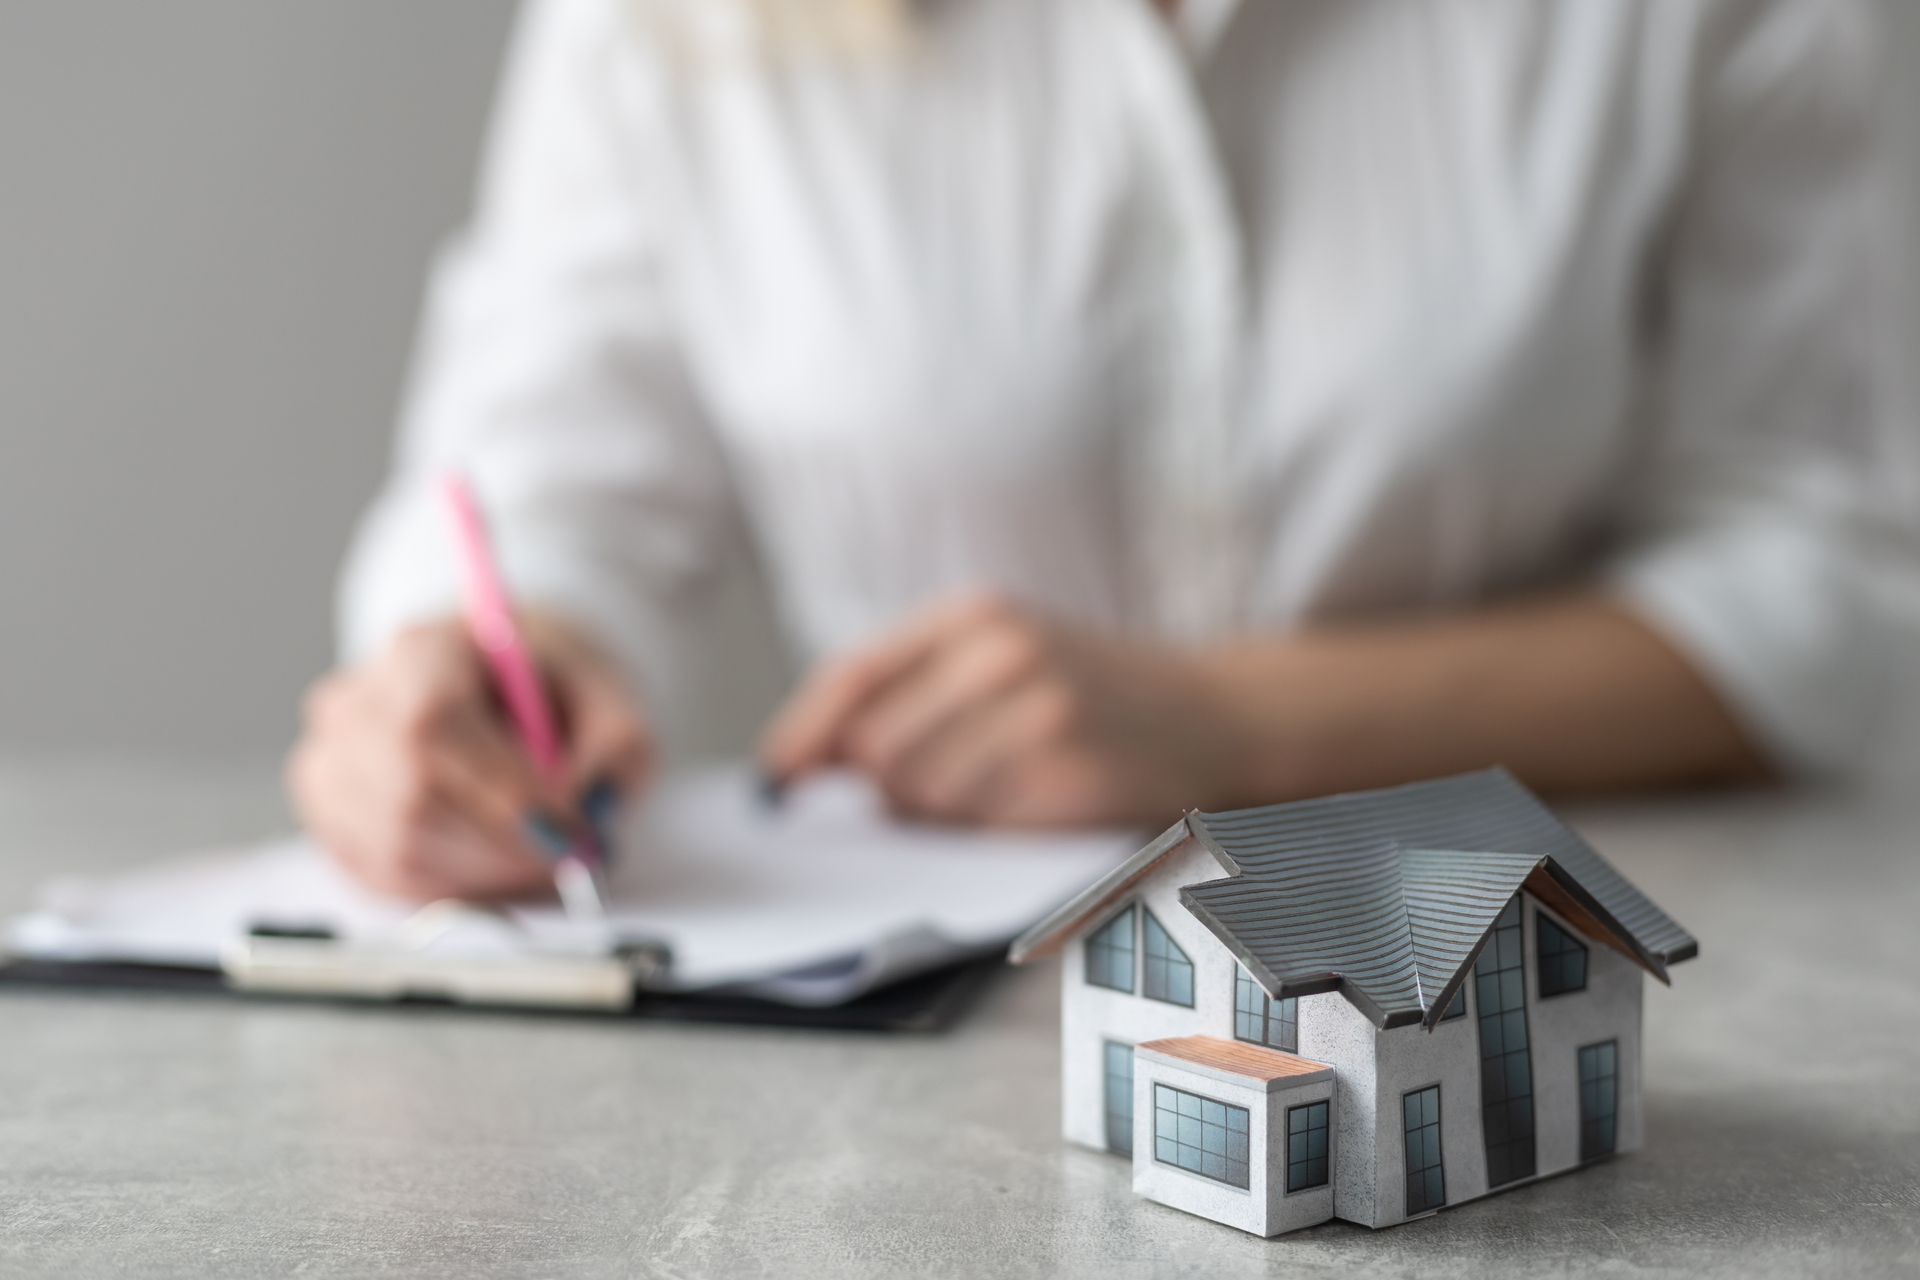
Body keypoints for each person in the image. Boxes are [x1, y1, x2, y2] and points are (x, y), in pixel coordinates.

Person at [289, 0, 1917, 901]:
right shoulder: (665, 31)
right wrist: (490, 676)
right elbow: (552, 489)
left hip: (1550, 949)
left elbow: (1817, 585)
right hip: (927, 1038)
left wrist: (1223, 724)